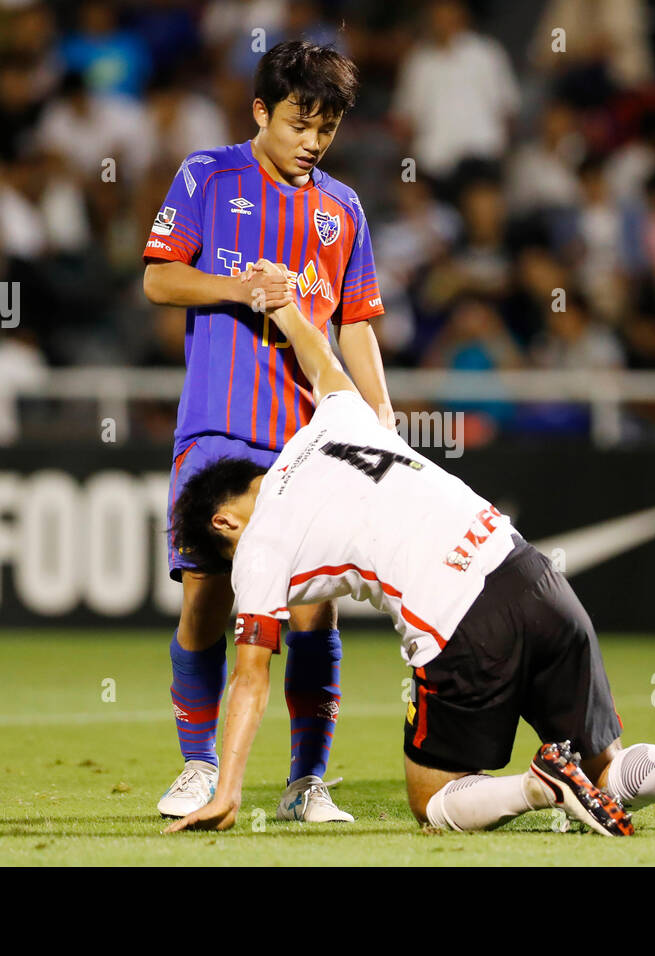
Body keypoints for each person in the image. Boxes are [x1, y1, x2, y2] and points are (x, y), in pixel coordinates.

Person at [163, 259, 655, 838]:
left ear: (223, 521)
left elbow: (249, 678)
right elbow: (319, 354)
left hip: (461, 621)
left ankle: (539, 785)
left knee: (431, 802)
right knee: (608, 771)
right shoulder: (334, 419)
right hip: (533, 573)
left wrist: (227, 792)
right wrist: (284, 305)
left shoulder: (256, 546)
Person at [141, 41, 393, 823]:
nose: (311, 141)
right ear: (261, 111)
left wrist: (379, 420)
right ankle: (196, 764)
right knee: (208, 599)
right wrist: (240, 287)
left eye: (326, 127)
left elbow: (354, 323)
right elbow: (158, 277)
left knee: (313, 607)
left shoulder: (343, 208)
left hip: (306, 435)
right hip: (218, 428)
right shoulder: (206, 174)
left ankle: (304, 782)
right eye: (297, 123)